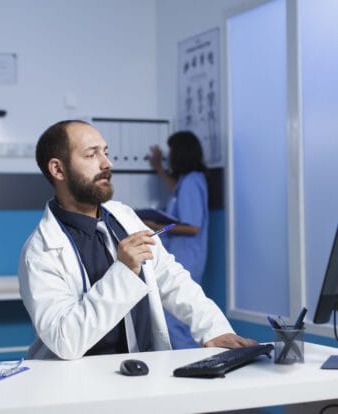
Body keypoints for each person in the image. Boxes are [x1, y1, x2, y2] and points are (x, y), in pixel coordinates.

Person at [18, 120, 255, 360]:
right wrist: (123, 270)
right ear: (58, 170)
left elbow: (172, 279)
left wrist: (214, 329)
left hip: (143, 371)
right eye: (91, 155)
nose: (107, 163)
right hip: (80, 383)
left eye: (106, 152)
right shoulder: (41, 252)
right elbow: (65, 340)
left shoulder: (124, 217)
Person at [147, 131, 211, 349]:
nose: (170, 156)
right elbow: (176, 192)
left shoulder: (192, 181)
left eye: (172, 152)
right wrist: (159, 168)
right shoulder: (187, 181)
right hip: (183, 257)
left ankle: (191, 367)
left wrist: (157, 227)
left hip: (188, 259)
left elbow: (192, 227)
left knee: (176, 320)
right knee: (175, 318)